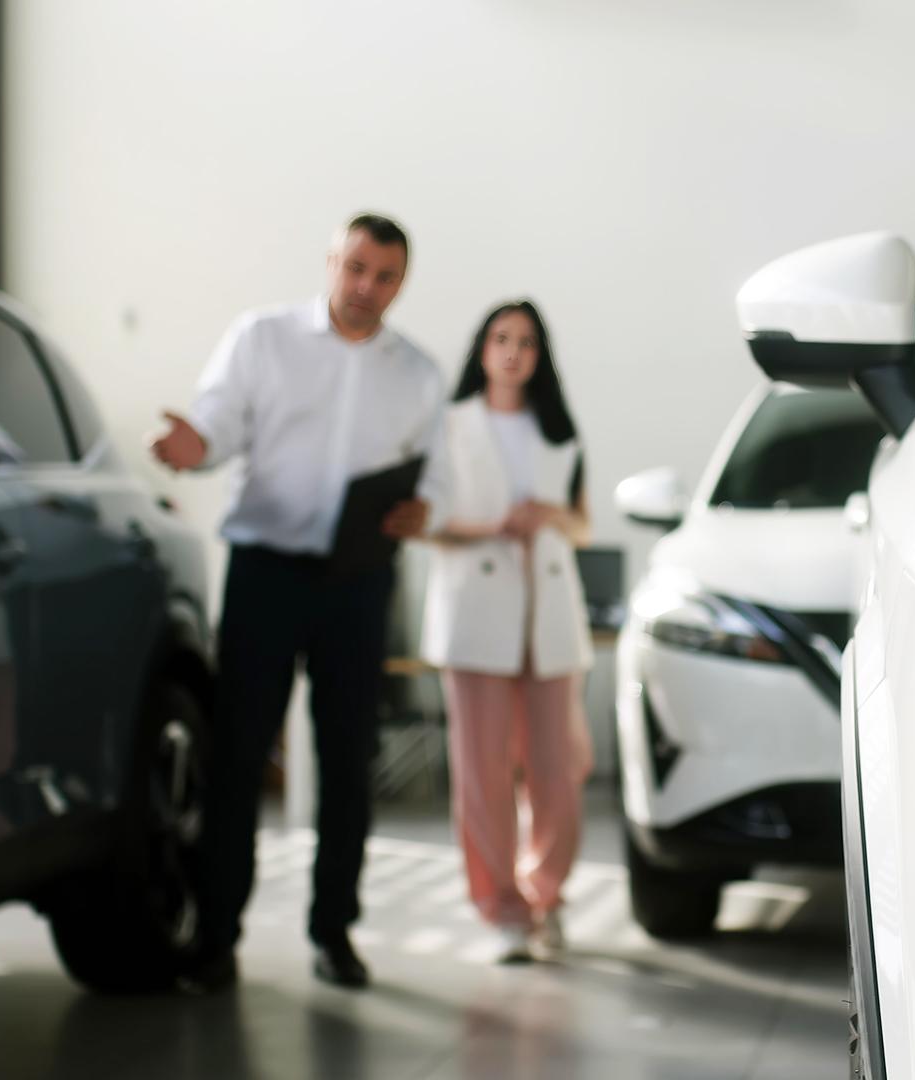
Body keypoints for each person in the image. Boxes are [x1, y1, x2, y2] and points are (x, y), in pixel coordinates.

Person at [150, 213, 443, 992]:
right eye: (355, 268)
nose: (366, 287)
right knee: (239, 753)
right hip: (266, 575)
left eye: (384, 276)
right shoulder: (262, 338)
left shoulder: (418, 375)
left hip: (359, 582)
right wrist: (193, 447)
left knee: (349, 759)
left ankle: (334, 931)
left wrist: (426, 511)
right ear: (332, 261)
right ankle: (216, 935)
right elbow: (216, 426)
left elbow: (437, 479)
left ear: (401, 283)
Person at [419, 299, 594, 964]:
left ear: (540, 355)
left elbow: (582, 525)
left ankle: (548, 893)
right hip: (475, 611)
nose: (513, 351)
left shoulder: (559, 430)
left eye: (526, 341)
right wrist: (493, 526)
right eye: (501, 338)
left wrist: (549, 516)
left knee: (558, 769)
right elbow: (427, 522)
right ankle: (502, 908)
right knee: (482, 772)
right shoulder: (449, 426)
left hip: (548, 614)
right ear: (482, 348)